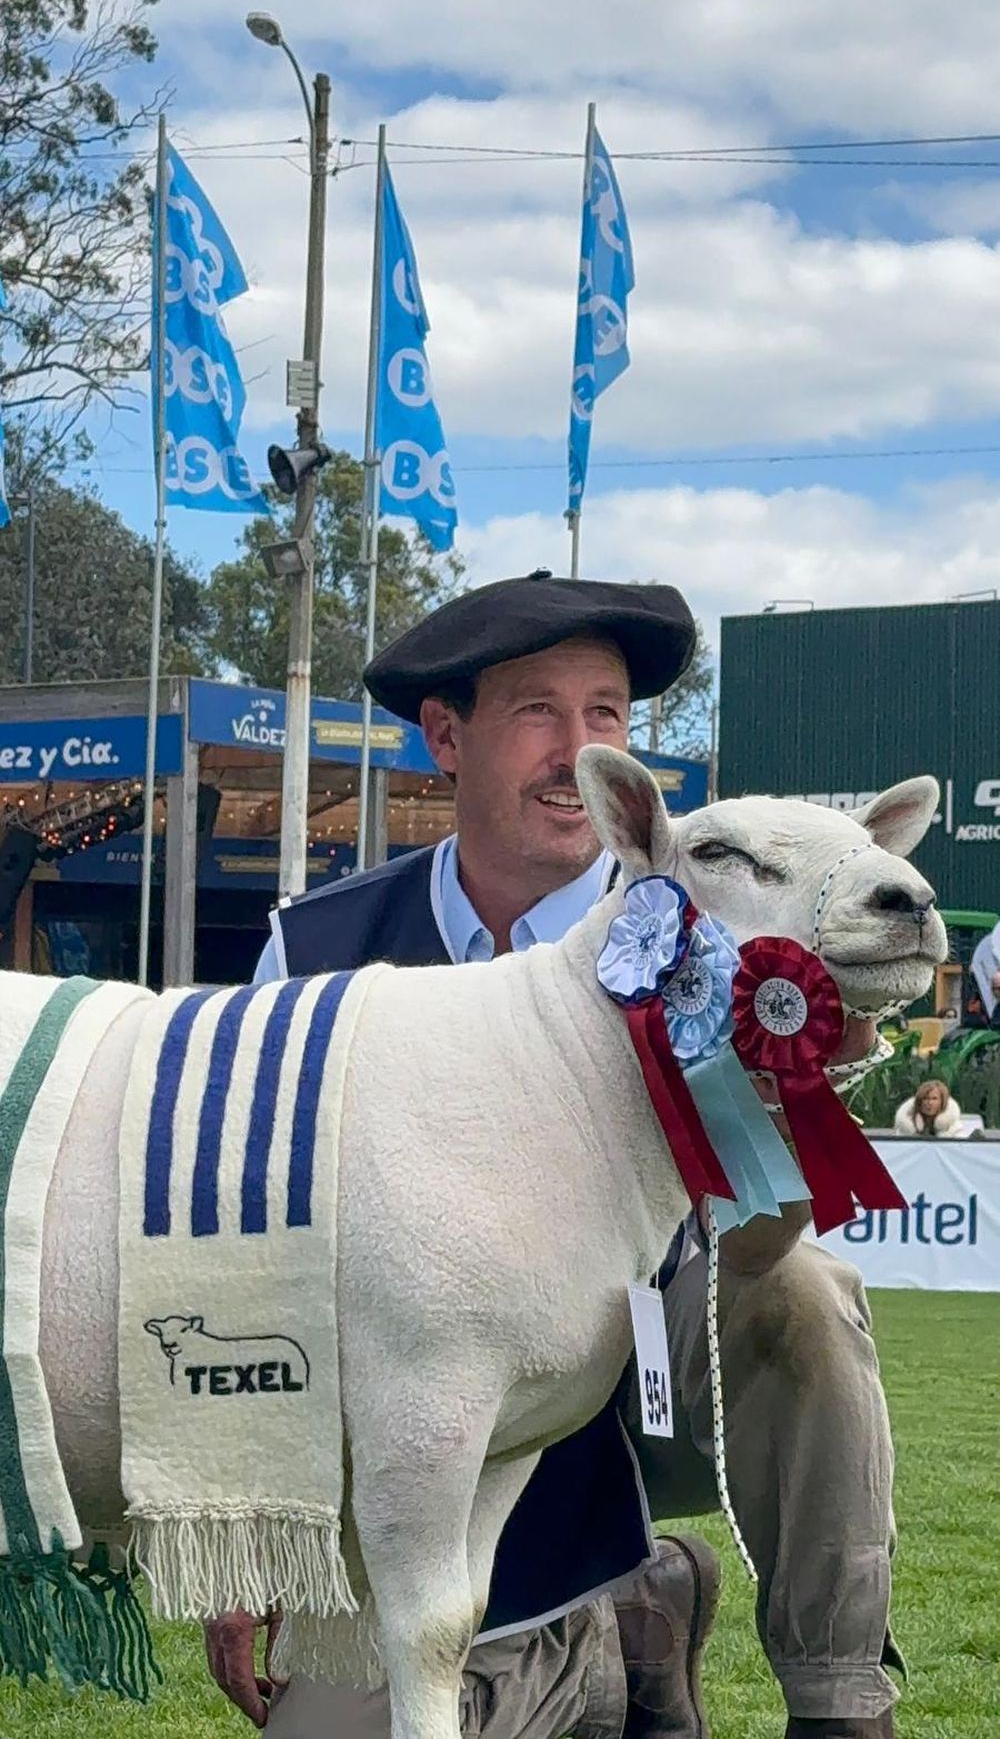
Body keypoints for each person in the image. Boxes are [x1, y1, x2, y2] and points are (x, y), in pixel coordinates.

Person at [211, 571, 902, 1739]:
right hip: (420, 1390)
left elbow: (757, 1225)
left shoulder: (719, 932)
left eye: (606, 715)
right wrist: (248, 1530)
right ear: (445, 734)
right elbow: (254, 1249)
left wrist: (797, 1087)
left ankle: (837, 1703)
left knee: (802, 1286)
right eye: (537, 709)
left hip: (639, 1349)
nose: (574, 750)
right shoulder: (313, 950)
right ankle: (641, 1610)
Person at [894, 1079, 963, 1138]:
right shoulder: (905, 1129)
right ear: (919, 1101)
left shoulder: (954, 1128)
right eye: (925, 1098)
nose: (929, 1103)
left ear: (943, 1102)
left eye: (934, 1098)